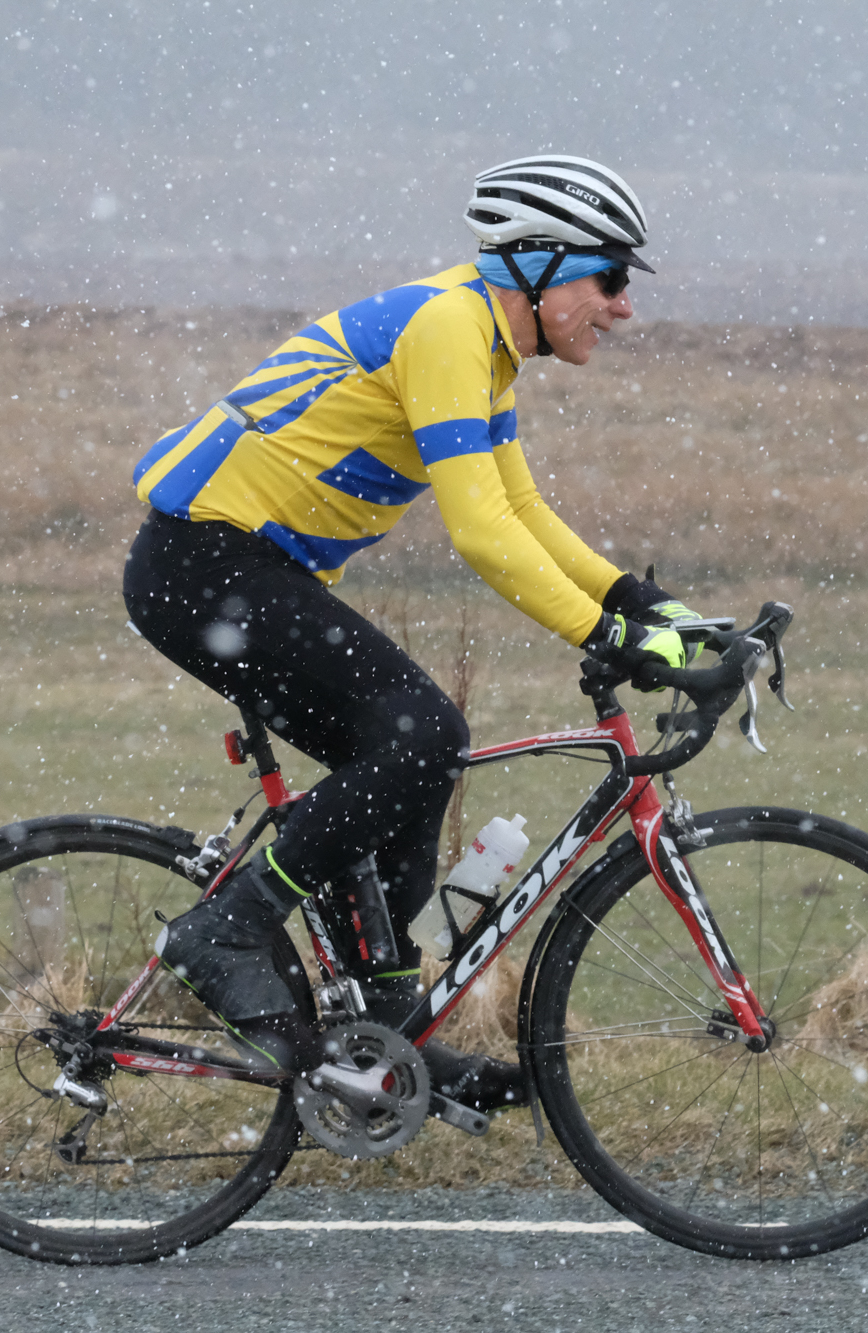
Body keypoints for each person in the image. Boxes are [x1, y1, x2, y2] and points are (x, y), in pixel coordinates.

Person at [123, 154, 697, 1117]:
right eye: (609, 278)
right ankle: (224, 930)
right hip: (204, 565)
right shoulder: (447, 328)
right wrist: (604, 632)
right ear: (542, 266)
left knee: (411, 759)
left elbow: (521, 509)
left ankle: (388, 1036)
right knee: (422, 733)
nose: (624, 306)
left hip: (234, 570)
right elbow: (482, 533)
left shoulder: (483, 340)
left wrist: (641, 604)